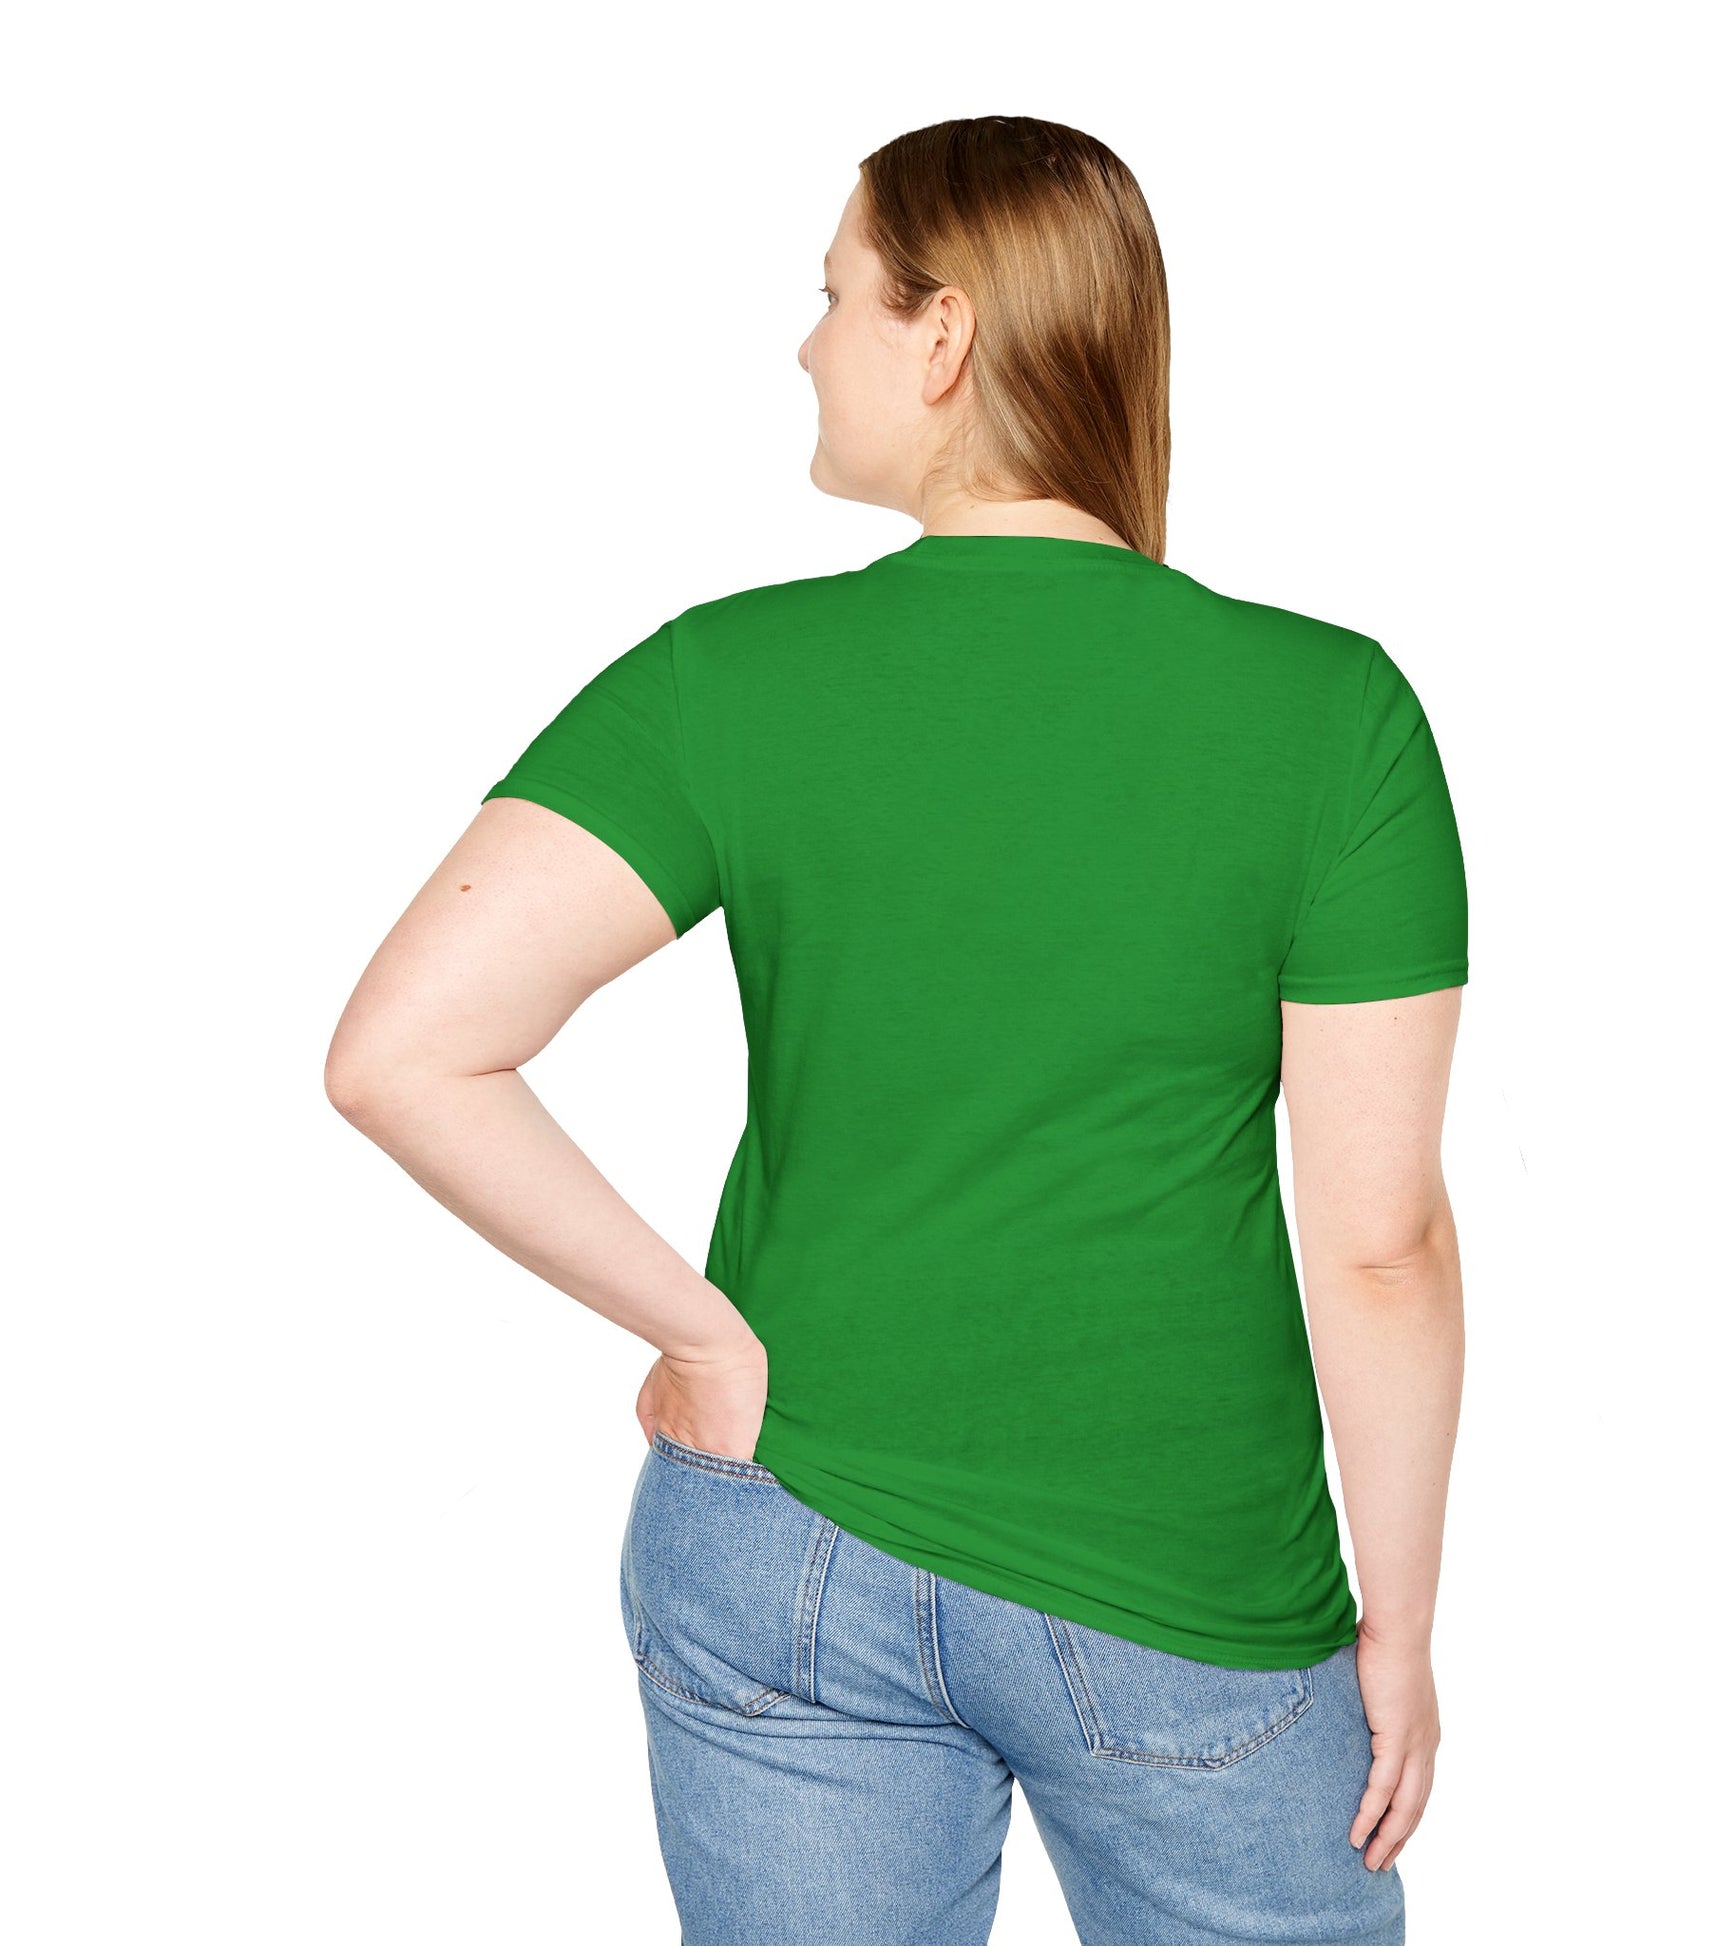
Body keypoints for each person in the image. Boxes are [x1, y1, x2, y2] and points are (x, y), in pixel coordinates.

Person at [326, 114, 1467, 1946]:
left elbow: (404, 1049)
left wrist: (699, 1333)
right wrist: (1395, 1628)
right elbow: (1379, 1242)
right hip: (1187, 1588)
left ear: (943, 334)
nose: (806, 345)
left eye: (836, 294)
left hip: (785, 1538)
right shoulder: (1330, 714)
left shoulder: (727, 675)